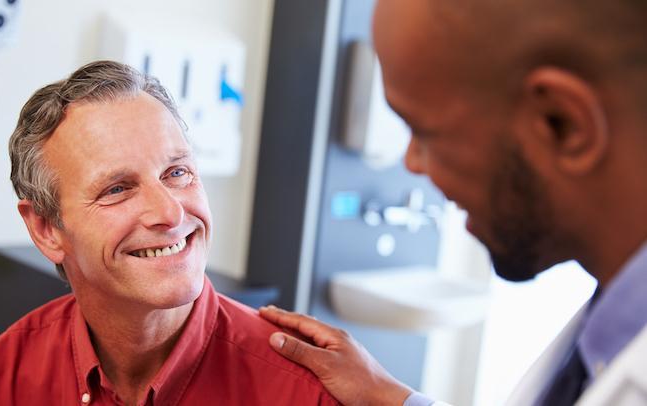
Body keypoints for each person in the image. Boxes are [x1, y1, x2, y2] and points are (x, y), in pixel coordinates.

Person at [259, 0, 647, 405]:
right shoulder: (610, 330)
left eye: (424, 132)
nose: (412, 164)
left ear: (562, 124)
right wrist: (387, 396)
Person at [0, 61, 337, 405]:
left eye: (177, 173)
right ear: (46, 228)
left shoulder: (308, 391)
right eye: (117, 189)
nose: (170, 212)